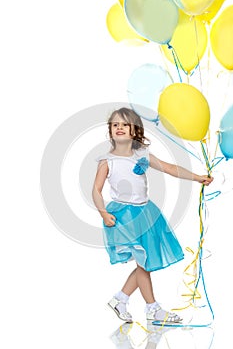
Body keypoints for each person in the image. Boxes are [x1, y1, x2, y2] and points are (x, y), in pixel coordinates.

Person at [92, 107, 213, 324]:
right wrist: (103, 212)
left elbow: (170, 168)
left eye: (125, 124)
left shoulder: (143, 155)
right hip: (123, 217)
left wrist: (197, 177)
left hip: (146, 214)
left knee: (143, 263)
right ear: (110, 130)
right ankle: (153, 309)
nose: (119, 128)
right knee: (143, 263)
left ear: (134, 130)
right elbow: (96, 190)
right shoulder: (106, 160)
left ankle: (120, 299)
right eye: (115, 124)